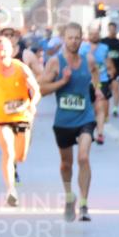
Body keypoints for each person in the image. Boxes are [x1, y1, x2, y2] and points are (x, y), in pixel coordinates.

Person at [38, 22, 104, 222]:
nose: (74, 41)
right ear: (63, 39)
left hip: (85, 117)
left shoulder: (89, 60)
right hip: (64, 120)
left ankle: (84, 203)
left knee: (83, 158)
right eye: (70, 37)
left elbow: (95, 74)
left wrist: (98, 88)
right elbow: (42, 89)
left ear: (81, 39)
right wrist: (62, 82)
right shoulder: (55, 63)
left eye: (77, 37)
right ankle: (69, 196)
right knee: (66, 164)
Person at [0, 36, 41, 206]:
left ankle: (14, 172)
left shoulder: (22, 68)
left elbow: (36, 90)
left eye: (4, 49)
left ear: (12, 50)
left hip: (22, 116)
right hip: (2, 117)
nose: (1, 53)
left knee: (21, 156)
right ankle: (11, 190)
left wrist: (32, 104)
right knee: (8, 153)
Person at [80, 27, 115, 145]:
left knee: (100, 108)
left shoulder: (104, 48)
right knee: (88, 108)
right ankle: (87, 131)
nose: (94, 36)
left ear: (99, 35)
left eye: (96, 34)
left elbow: (109, 62)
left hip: (102, 80)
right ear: (88, 35)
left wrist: (111, 71)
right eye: (92, 34)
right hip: (86, 81)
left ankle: (100, 134)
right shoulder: (83, 48)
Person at [101, 22, 119, 117]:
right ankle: (104, 108)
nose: (112, 30)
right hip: (105, 70)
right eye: (110, 28)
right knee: (106, 90)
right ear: (108, 29)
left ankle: (115, 109)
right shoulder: (103, 41)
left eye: (113, 29)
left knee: (116, 88)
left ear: (116, 30)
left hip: (117, 69)